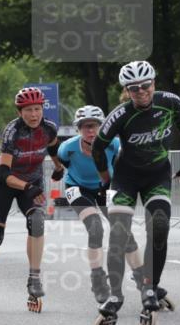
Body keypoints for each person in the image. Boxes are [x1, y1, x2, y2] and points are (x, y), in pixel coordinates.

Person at [91, 60, 180, 325]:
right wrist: (106, 180)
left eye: (145, 86)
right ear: (127, 91)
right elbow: (97, 149)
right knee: (118, 234)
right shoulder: (121, 114)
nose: (141, 92)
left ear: (154, 83)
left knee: (160, 226)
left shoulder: (171, 102)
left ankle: (149, 287)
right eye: (134, 88)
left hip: (157, 176)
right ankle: (115, 296)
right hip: (125, 178)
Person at [0, 87, 64, 314]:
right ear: (20, 112)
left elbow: (54, 147)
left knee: (37, 221)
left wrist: (58, 168)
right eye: (28, 110)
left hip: (33, 180)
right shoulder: (12, 132)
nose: (34, 114)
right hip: (7, 184)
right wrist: (27, 187)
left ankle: (34, 279)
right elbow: (2, 174)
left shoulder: (48, 128)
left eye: (37, 109)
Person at [57, 105, 144, 304]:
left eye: (95, 126)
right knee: (95, 228)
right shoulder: (67, 149)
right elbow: (63, 165)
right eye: (85, 127)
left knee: (123, 232)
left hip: (105, 188)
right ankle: (97, 280)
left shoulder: (113, 145)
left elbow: (123, 168)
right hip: (77, 188)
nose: (91, 131)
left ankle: (141, 277)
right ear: (78, 129)